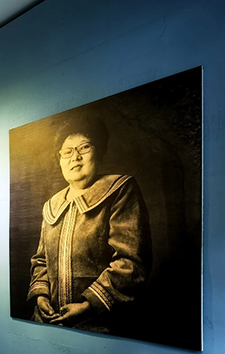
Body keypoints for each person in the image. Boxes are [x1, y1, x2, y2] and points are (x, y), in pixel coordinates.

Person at [27, 116, 152, 333]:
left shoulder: (120, 190)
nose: (75, 157)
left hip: (102, 326)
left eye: (84, 147)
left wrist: (88, 306)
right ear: (59, 159)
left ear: (99, 152)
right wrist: (41, 297)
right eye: (67, 152)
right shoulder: (52, 205)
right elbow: (41, 261)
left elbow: (131, 262)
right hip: (48, 323)